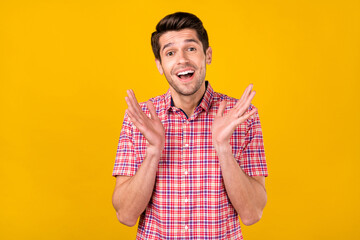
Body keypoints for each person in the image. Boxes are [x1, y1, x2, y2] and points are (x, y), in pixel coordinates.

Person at [112, 12, 268, 239]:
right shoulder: (140, 118)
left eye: (191, 48)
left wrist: (223, 148)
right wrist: (153, 151)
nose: (182, 59)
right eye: (171, 52)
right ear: (160, 65)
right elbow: (125, 215)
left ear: (208, 54)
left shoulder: (241, 116)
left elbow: (253, 213)